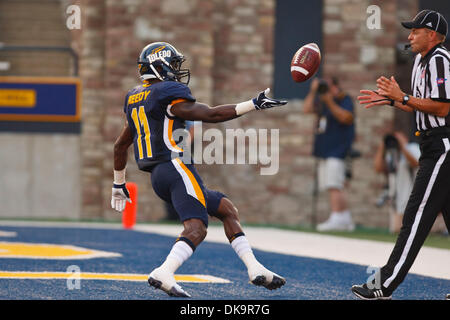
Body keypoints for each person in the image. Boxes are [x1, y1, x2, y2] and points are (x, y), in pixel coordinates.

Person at [111, 42, 287, 297]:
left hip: (160, 177)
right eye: (172, 65)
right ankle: (164, 271)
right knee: (197, 228)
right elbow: (212, 115)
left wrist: (119, 183)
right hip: (175, 167)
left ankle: (255, 268)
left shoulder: (136, 98)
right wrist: (253, 104)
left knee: (225, 208)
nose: (176, 70)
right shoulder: (167, 96)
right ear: (158, 66)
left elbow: (119, 146)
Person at [352, 9, 450, 300]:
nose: (409, 36)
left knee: (416, 215)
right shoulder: (421, 61)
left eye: (415, 31)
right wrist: (394, 101)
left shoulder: (440, 60)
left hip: (443, 146)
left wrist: (403, 96)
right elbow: (420, 104)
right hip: (432, 146)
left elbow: (443, 108)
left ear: (431, 34)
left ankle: (385, 283)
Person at [303, 76, 356, 231]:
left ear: (335, 86)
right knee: (331, 184)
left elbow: (346, 118)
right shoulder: (322, 100)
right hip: (324, 150)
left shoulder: (344, 99)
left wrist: (329, 101)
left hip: (338, 149)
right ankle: (344, 218)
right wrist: (313, 92)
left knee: (335, 184)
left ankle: (337, 217)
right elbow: (306, 109)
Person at [374, 130, 420, 233]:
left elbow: (416, 163)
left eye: (398, 137)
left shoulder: (412, 147)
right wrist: (382, 147)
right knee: (396, 229)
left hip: (412, 193)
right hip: (397, 197)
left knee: (404, 229)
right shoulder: (392, 153)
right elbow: (378, 168)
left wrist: (403, 147)